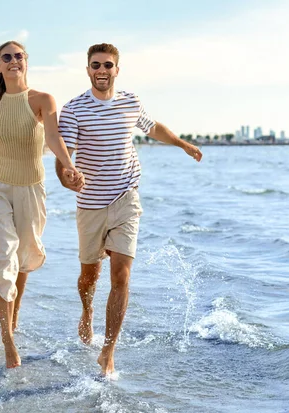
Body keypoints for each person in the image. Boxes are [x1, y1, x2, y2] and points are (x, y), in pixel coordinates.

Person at [55, 43, 202, 375]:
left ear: (117, 70)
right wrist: (67, 178)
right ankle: (87, 311)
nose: (102, 70)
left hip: (126, 198)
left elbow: (152, 127)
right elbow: (63, 156)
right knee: (88, 278)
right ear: (88, 69)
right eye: (96, 65)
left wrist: (182, 144)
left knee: (120, 275)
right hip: (90, 203)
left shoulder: (131, 101)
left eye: (108, 65)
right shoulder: (74, 109)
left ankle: (108, 351)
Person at [0, 40, 84, 369]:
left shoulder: (41, 99)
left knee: (24, 256)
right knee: (2, 256)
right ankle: (7, 339)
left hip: (30, 189)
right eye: (6, 57)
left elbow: (53, 137)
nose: (13, 61)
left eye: (18, 56)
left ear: (26, 62)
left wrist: (68, 165)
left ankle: (15, 313)